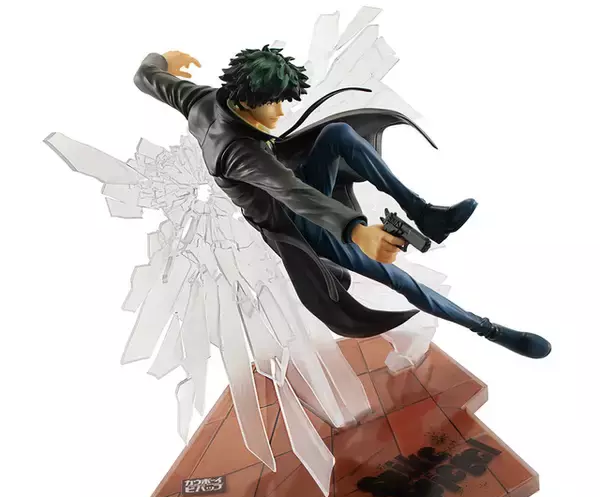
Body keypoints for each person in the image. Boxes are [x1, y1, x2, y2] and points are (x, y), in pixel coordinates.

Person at [133, 47, 551, 359]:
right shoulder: (240, 154)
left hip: (299, 189)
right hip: (298, 225)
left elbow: (146, 76)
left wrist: (163, 60)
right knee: (399, 280)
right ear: (245, 101)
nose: (280, 112)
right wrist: (356, 231)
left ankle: (424, 213)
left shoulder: (203, 99)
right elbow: (292, 193)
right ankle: (489, 330)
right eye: (273, 103)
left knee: (338, 135)